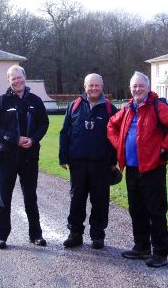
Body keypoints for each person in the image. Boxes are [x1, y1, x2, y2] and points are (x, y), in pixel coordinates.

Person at [107, 71, 168, 268]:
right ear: (130, 89)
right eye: (134, 86)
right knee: (136, 209)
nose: (137, 89)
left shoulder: (157, 106)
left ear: (148, 87)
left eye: (141, 86)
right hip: (132, 168)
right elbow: (111, 125)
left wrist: (165, 147)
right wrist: (120, 145)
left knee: (156, 211)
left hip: (152, 168)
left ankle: (160, 252)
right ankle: (141, 247)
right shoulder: (127, 109)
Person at [0, 65, 49, 249]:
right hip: (7, 157)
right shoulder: (2, 101)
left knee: (31, 197)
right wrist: (14, 139)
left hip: (29, 157)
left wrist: (33, 139)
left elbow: (44, 124)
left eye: (19, 77)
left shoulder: (35, 101)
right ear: (8, 81)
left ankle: (35, 235)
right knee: (3, 197)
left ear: (25, 77)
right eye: (12, 78)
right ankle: (1, 236)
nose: (16, 81)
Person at [59, 73, 118, 249]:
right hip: (77, 163)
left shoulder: (110, 109)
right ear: (85, 87)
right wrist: (63, 157)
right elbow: (64, 132)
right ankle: (75, 233)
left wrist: (113, 161)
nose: (94, 88)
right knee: (76, 199)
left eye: (97, 85)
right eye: (90, 85)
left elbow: (116, 137)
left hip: (101, 164)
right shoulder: (74, 106)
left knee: (100, 201)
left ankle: (98, 235)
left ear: (102, 86)